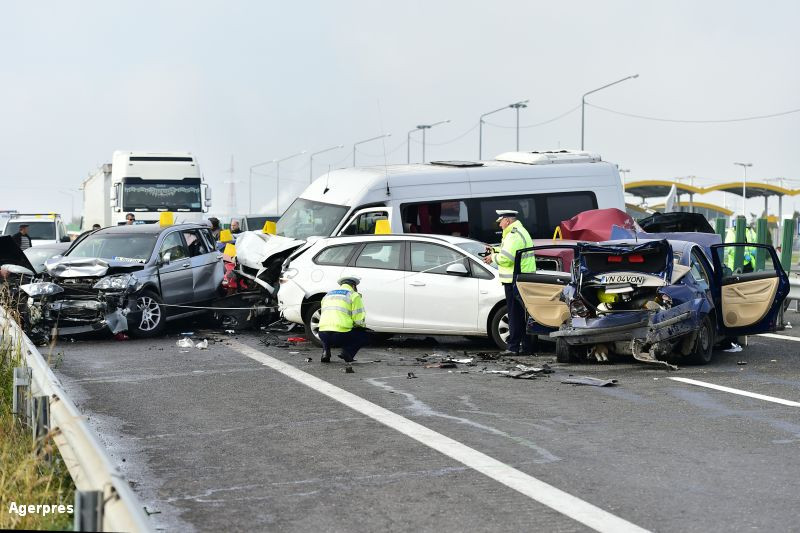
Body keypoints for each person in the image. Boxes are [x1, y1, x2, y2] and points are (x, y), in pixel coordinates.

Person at [483, 210, 537, 356]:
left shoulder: (513, 235)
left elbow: (507, 258)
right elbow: (508, 251)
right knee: (521, 314)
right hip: (521, 278)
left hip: (514, 280)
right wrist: (494, 249)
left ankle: (513, 348)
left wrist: (492, 258)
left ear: (507, 220)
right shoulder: (518, 231)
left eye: (500, 222)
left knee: (514, 315)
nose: (499, 225)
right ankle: (526, 347)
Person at [317, 276, 369, 363]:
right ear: (353, 286)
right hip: (340, 334)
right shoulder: (354, 295)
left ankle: (325, 353)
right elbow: (358, 321)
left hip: (322, 334)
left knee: (328, 327)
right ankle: (347, 353)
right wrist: (362, 328)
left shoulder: (328, 295)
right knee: (365, 335)